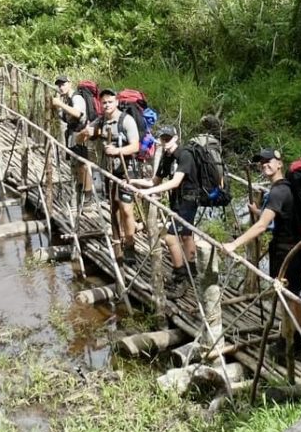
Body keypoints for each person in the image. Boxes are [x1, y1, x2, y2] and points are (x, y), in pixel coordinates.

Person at [223, 148, 301, 355]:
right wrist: (259, 212)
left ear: (280, 163)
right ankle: (298, 344)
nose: (264, 165)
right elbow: (282, 215)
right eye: (261, 163)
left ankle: (287, 343)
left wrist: (234, 245)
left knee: (285, 297)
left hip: (285, 252)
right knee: (295, 296)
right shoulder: (288, 188)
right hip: (297, 248)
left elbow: (261, 227)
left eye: (269, 161)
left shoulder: (278, 191)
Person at [132, 126, 199, 298]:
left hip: (189, 200)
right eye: (162, 139)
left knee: (170, 237)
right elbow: (154, 181)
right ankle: (192, 271)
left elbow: (175, 182)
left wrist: (147, 193)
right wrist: (133, 181)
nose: (165, 142)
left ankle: (180, 278)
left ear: (176, 138)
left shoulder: (185, 155)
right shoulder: (166, 157)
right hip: (177, 200)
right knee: (186, 235)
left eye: (168, 139)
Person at [82, 89, 141, 265]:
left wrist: (117, 151)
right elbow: (86, 133)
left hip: (126, 170)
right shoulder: (100, 121)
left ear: (116, 102)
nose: (107, 105)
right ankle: (117, 241)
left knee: (126, 209)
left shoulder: (126, 121)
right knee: (113, 206)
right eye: (104, 102)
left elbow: (135, 146)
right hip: (108, 170)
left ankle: (130, 245)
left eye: (110, 101)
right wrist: (88, 132)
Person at [51, 76, 94, 202]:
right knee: (76, 164)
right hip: (72, 133)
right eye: (59, 85)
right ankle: (80, 189)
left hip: (79, 133)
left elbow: (78, 113)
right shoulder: (66, 98)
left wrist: (60, 104)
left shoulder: (76, 97)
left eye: (63, 84)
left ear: (70, 84)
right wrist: (58, 107)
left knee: (83, 164)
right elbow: (65, 117)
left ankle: (88, 194)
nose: (61, 87)